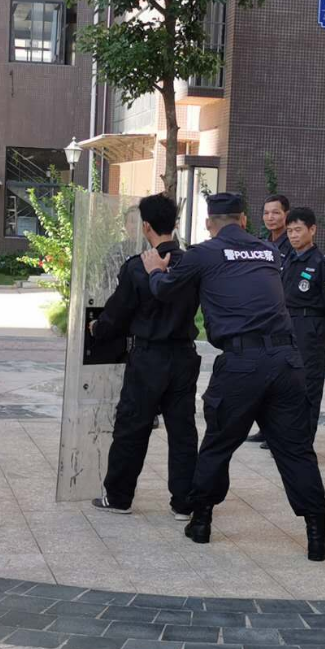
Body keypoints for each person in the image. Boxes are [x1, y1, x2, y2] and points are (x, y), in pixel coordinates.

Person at [142, 192, 325, 561]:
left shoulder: (204, 253)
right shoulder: (269, 251)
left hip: (242, 363)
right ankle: (317, 536)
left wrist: (154, 271)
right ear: (244, 220)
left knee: (218, 444)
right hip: (286, 361)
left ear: (209, 224)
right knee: (296, 451)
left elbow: (165, 291)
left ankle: (201, 522)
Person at [89, 193, 201, 519]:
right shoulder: (192, 264)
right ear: (175, 224)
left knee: (132, 428)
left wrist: (97, 328)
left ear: (146, 226)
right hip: (183, 356)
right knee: (183, 432)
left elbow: (117, 313)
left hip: (148, 358)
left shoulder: (137, 266)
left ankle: (119, 498)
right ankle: (184, 504)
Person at [266, 207, 325, 447]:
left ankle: (302, 441)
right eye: (290, 230)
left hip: (309, 328)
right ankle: (282, 436)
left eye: (298, 230)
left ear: (312, 230)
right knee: (284, 383)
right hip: (285, 327)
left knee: (308, 385)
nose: (293, 235)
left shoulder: (323, 263)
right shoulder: (287, 259)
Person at [246, 193, 292, 445]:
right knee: (263, 375)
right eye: (266, 213)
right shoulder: (262, 244)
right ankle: (264, 427)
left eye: (276, 212)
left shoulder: (291, 244)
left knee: (281, 378)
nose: (270, 217)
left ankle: (277, 431)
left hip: (283, 317)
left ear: (286, 214)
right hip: (263, 318)